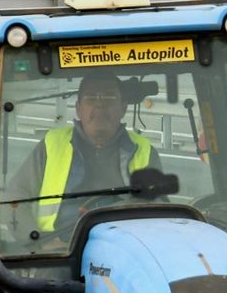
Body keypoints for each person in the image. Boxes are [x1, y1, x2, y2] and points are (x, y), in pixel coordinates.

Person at [11, 72, 159, 237]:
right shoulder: (52, 144)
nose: (100, 104)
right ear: (78, 109)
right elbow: (14, 199)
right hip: (57, 254)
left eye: (109, 97)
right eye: (91, 97)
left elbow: (160, 211)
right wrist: (38, 243)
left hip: (122, 249)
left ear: (123, 108)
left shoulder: (144, 151)